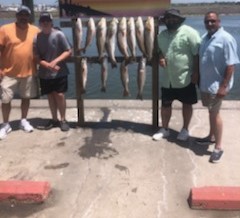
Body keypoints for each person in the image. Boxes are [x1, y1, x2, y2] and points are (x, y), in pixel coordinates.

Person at [152, 9, 201, 141]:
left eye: (174, 18)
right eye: (168, 19)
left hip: (185, 77)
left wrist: (196, 72)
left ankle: (185, 129)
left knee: (187, 104)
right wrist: (161, 57)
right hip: (167, 79)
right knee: (166, 105)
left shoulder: (190, 33)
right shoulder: (161, 35)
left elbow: (197, 54)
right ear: (165, 21)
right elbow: (158, 51)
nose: (171, 20)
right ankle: (165, 129)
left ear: (179, 19)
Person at [197, 11, 239, 163]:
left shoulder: (226, 39)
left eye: (212, 21)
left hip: (217, 86)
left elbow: (231, 65)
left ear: (219, 22)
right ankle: (211, 137)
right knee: (210, 111)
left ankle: (218, 147)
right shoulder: (205, 38)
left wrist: (224, 86)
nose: (209, 24)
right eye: (207, 21)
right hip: (206, 84)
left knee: (215, 114)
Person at [0, 5, 40, 140]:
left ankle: (23, 120)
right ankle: (6, 124)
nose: (23, 17)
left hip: (29, 71)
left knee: (26, 98)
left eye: (26, 15)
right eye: (21, 15)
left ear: (29, 16)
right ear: (16, 16)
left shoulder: (35, 30)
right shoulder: (5, 29)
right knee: (5, 100)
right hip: (8, 72)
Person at [33, 12, 72, 131]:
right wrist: (48, 65)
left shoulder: (59, 34)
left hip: (60, 72)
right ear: (40, 23)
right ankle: (54, 119)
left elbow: (68, 51)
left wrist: (55, 62)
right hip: (45, 73)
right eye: (43, 21)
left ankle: (63, 119)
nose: (45, 23)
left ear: (51, 22)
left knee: (60, 95)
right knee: (50, 96)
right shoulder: (36, 37)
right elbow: (36, 57)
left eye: (47, 21)